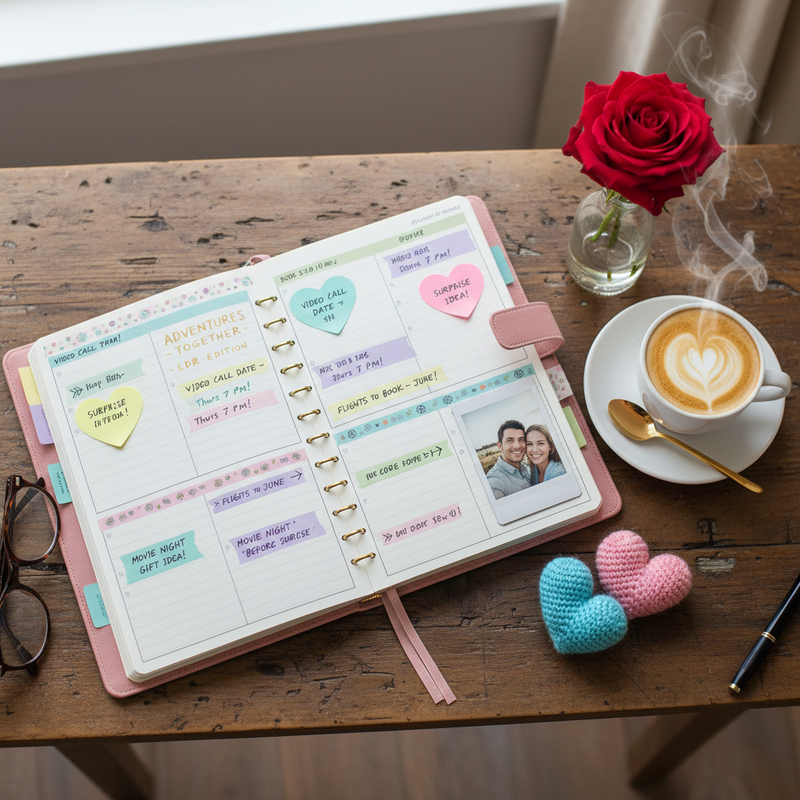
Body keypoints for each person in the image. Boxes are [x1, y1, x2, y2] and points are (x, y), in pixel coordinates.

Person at [486, 420, 531, 499]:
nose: (517, 446)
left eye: (521, 440)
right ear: (500, 446)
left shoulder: (524, 467)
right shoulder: (495, 481)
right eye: (510, 440)